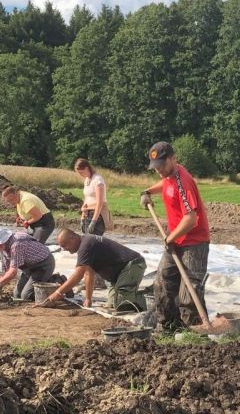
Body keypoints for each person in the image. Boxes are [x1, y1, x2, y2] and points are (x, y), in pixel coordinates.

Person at [140, 141, 210, 330]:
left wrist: (170, 238)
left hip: (194, 242)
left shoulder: (183, 182)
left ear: (173, 159)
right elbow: (165, 184)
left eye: (162, 165)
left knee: (189, 291)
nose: (159, 170)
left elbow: (190, 219)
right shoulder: (169, 176)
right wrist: (147, 192)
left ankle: (194, 332)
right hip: (175, 238)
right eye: (155, 167)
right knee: (163, 282)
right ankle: (168, 326)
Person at [46, 228, 146, 311]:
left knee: (122, 305)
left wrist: (58, 292)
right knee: (112, 305)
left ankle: (145, 300)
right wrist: (88, 299)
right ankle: (132, 296)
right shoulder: (85, 245)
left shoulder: (86, 244)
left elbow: (78, 275)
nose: (64, 249)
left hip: (132, 265)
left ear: (72, 238)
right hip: (119, 274)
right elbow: (88, 273)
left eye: (64, 245)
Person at [0, 226, 55, 301]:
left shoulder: (17, 244)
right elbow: (6, 270)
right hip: (28, 268)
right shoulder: (2, 247)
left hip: (43, 265)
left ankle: (54, 281)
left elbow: (12, 272)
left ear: (3, 240)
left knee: (26, 296)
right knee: (17, 295)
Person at [74, 158, 113, 235]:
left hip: (97, 215)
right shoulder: (87, 180)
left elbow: (100, 202)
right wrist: (82, 218)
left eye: (81, 172)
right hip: (87, 214)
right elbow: (86, 200)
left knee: (93, 240)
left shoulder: (97, 180)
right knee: (86, 238)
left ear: (86, 168)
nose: (80, 175)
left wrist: (94, 221)